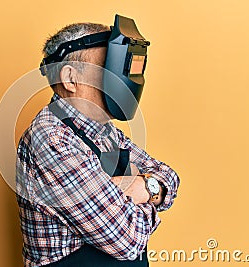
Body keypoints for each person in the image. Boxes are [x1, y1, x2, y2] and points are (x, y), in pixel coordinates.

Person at [16, 16, 180, 267]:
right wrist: (148, 189)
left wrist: (145, 188)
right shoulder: (51, 140)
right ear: (70, 79)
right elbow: (129, 239)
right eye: (108, 69)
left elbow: (170, 177)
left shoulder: (103, 130)